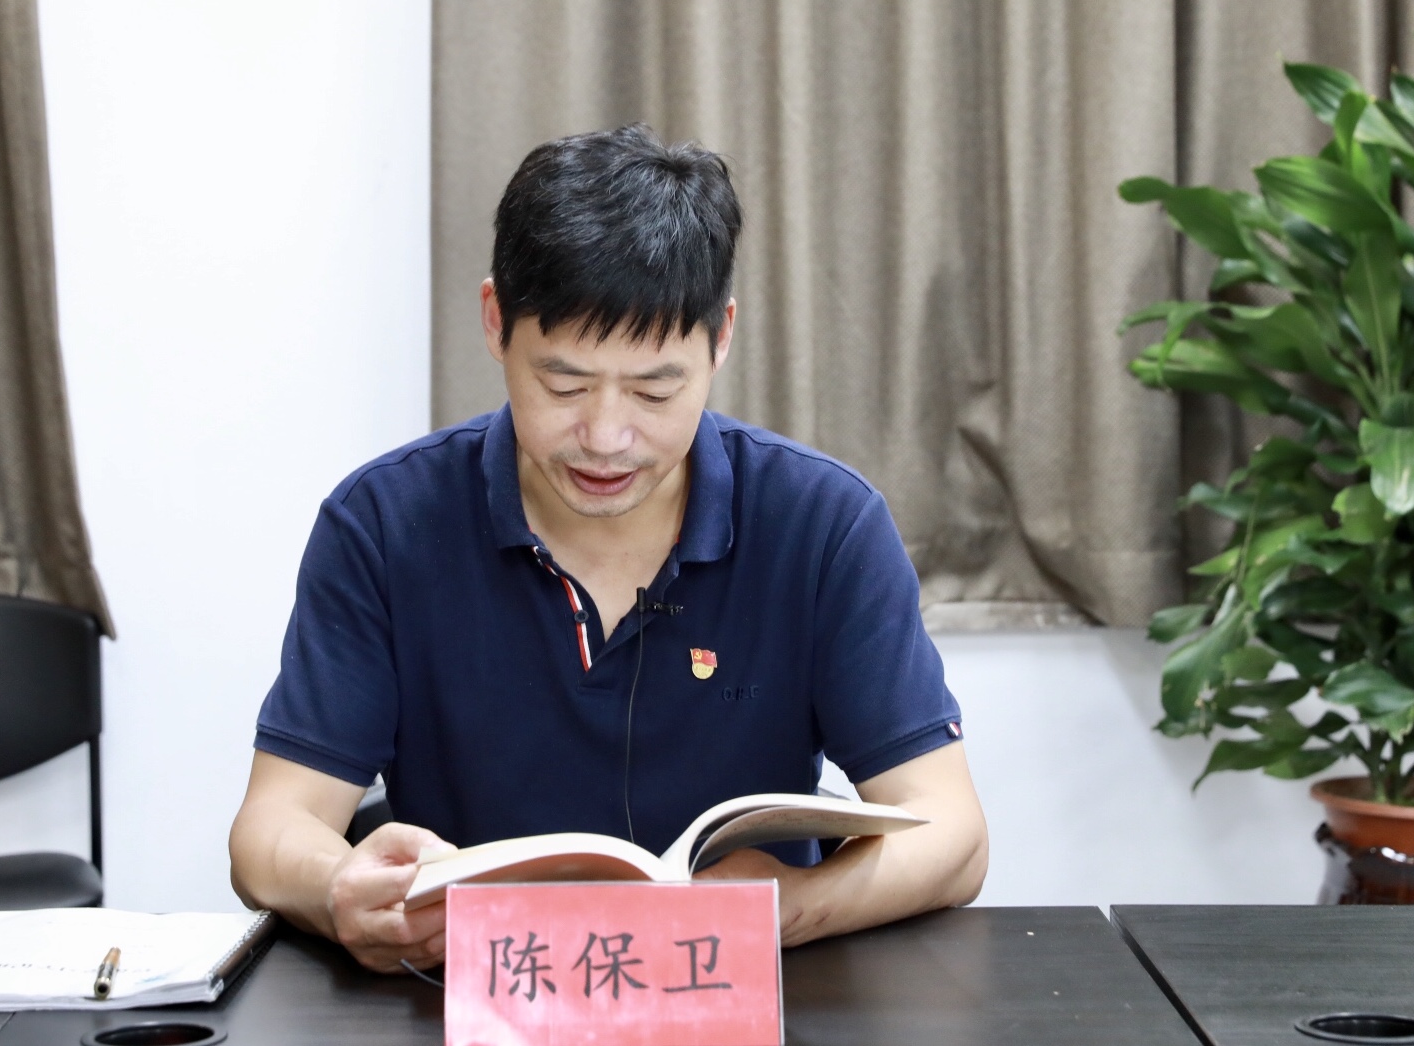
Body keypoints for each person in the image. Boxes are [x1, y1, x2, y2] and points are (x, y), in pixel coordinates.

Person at [229, 125, 987, 974]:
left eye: (655, 390)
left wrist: (786, 908)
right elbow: (269, 831)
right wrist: (339, 886)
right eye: (563, 384)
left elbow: (952, 834)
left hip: (739, 995)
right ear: (494, 321)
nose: (604, 437)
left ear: (721, 336)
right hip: (472, 997)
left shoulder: (821, 524)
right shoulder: (384, 522)